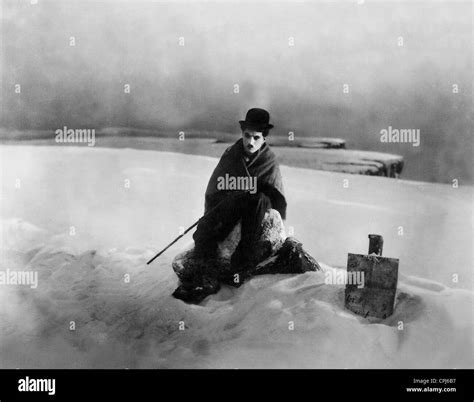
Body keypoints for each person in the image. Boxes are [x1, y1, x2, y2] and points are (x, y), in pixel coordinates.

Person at [172, 108, 287, 302]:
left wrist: (253, 193)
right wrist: (224, 201)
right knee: (206, 229)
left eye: (256, 137)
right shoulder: (231, 155)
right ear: (242, 134)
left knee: (257, 200)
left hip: (256, 211)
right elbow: (214, 190)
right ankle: (203, 275)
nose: (250, 142)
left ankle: (240, 266)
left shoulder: (269, 161)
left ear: (264, 138)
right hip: (231, 206)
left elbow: (276, 197)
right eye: (247, 136)